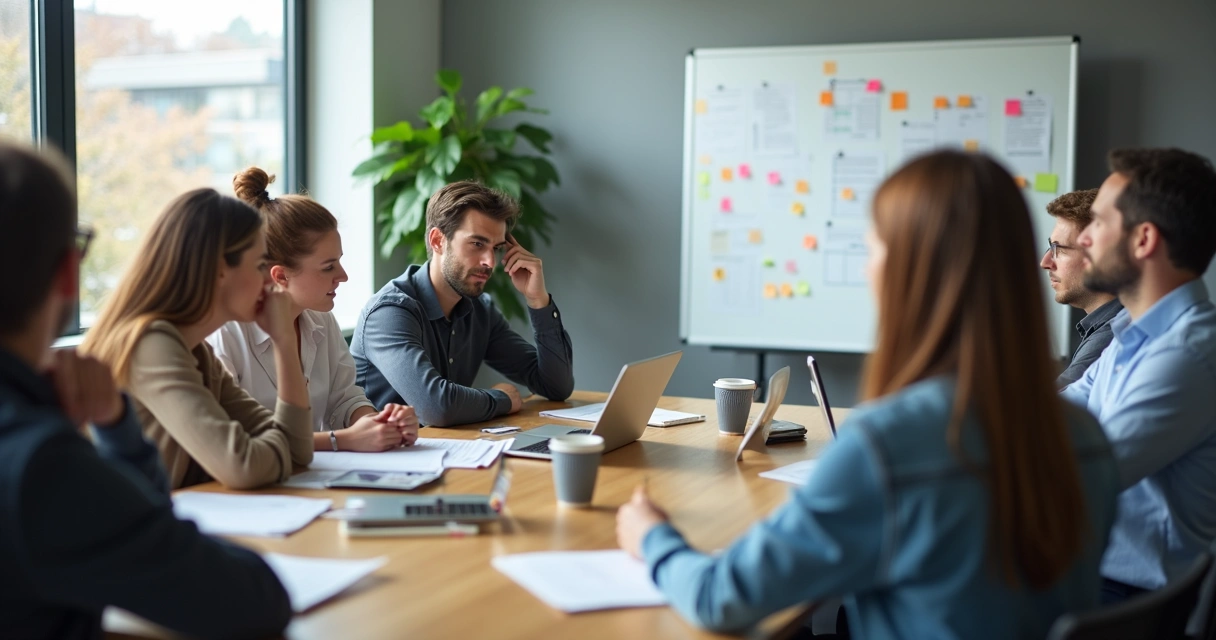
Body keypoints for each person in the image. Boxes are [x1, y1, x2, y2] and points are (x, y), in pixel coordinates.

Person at [616, 151, 1120, 638]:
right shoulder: (1086, 435)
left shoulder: (891, 444)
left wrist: (651, 536)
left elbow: (718, 598)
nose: (865, 270)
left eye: (873, 248)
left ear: (910, 268)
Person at [0, 141, 291, 638]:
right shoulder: (40, 462)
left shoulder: (191, 347)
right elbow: (255, 599)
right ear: (70, 274)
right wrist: (117, 437)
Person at [1061, 148, 1216, 604]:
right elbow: (1062, 412)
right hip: (1095, 574)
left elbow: (1088, 472)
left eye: (1099, 223)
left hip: (1128, 598)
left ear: (1143, 239)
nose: (1084, 239)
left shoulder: (1187, 354)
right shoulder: (1136, 334)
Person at [82, 187, 314, 490]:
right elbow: (244, 467)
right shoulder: (151, 344)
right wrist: (274, 446)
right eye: (259, 265)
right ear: (220, 270)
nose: (268, 280)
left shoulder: (198, 352)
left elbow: (299, 451)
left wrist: (284, 340)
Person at [208, 167, 419, 452]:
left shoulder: (320, 318)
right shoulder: (224, 333)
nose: (343, 276)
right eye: (328, 266)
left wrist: (379, 424)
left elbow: (344, 398)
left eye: (339, 262)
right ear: (280, 276)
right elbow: (234, 441)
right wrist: (342, 440)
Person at [351, 181, 574, 427]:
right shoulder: (390, 312)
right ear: (437, 241)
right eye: (477, 244)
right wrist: (503, 399)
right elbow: (436, 407)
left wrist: (538, 300)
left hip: (446, 455)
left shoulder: (480, 312)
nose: (490, 261)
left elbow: (556, 386)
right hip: (383, 461)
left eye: (496, 248)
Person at [1040, 188, 1124, 388]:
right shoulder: (1105, 324)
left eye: (1058, 249)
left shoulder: (1113, 335)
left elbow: (1048, 413)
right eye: (1050, 246)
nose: (1045, 262)